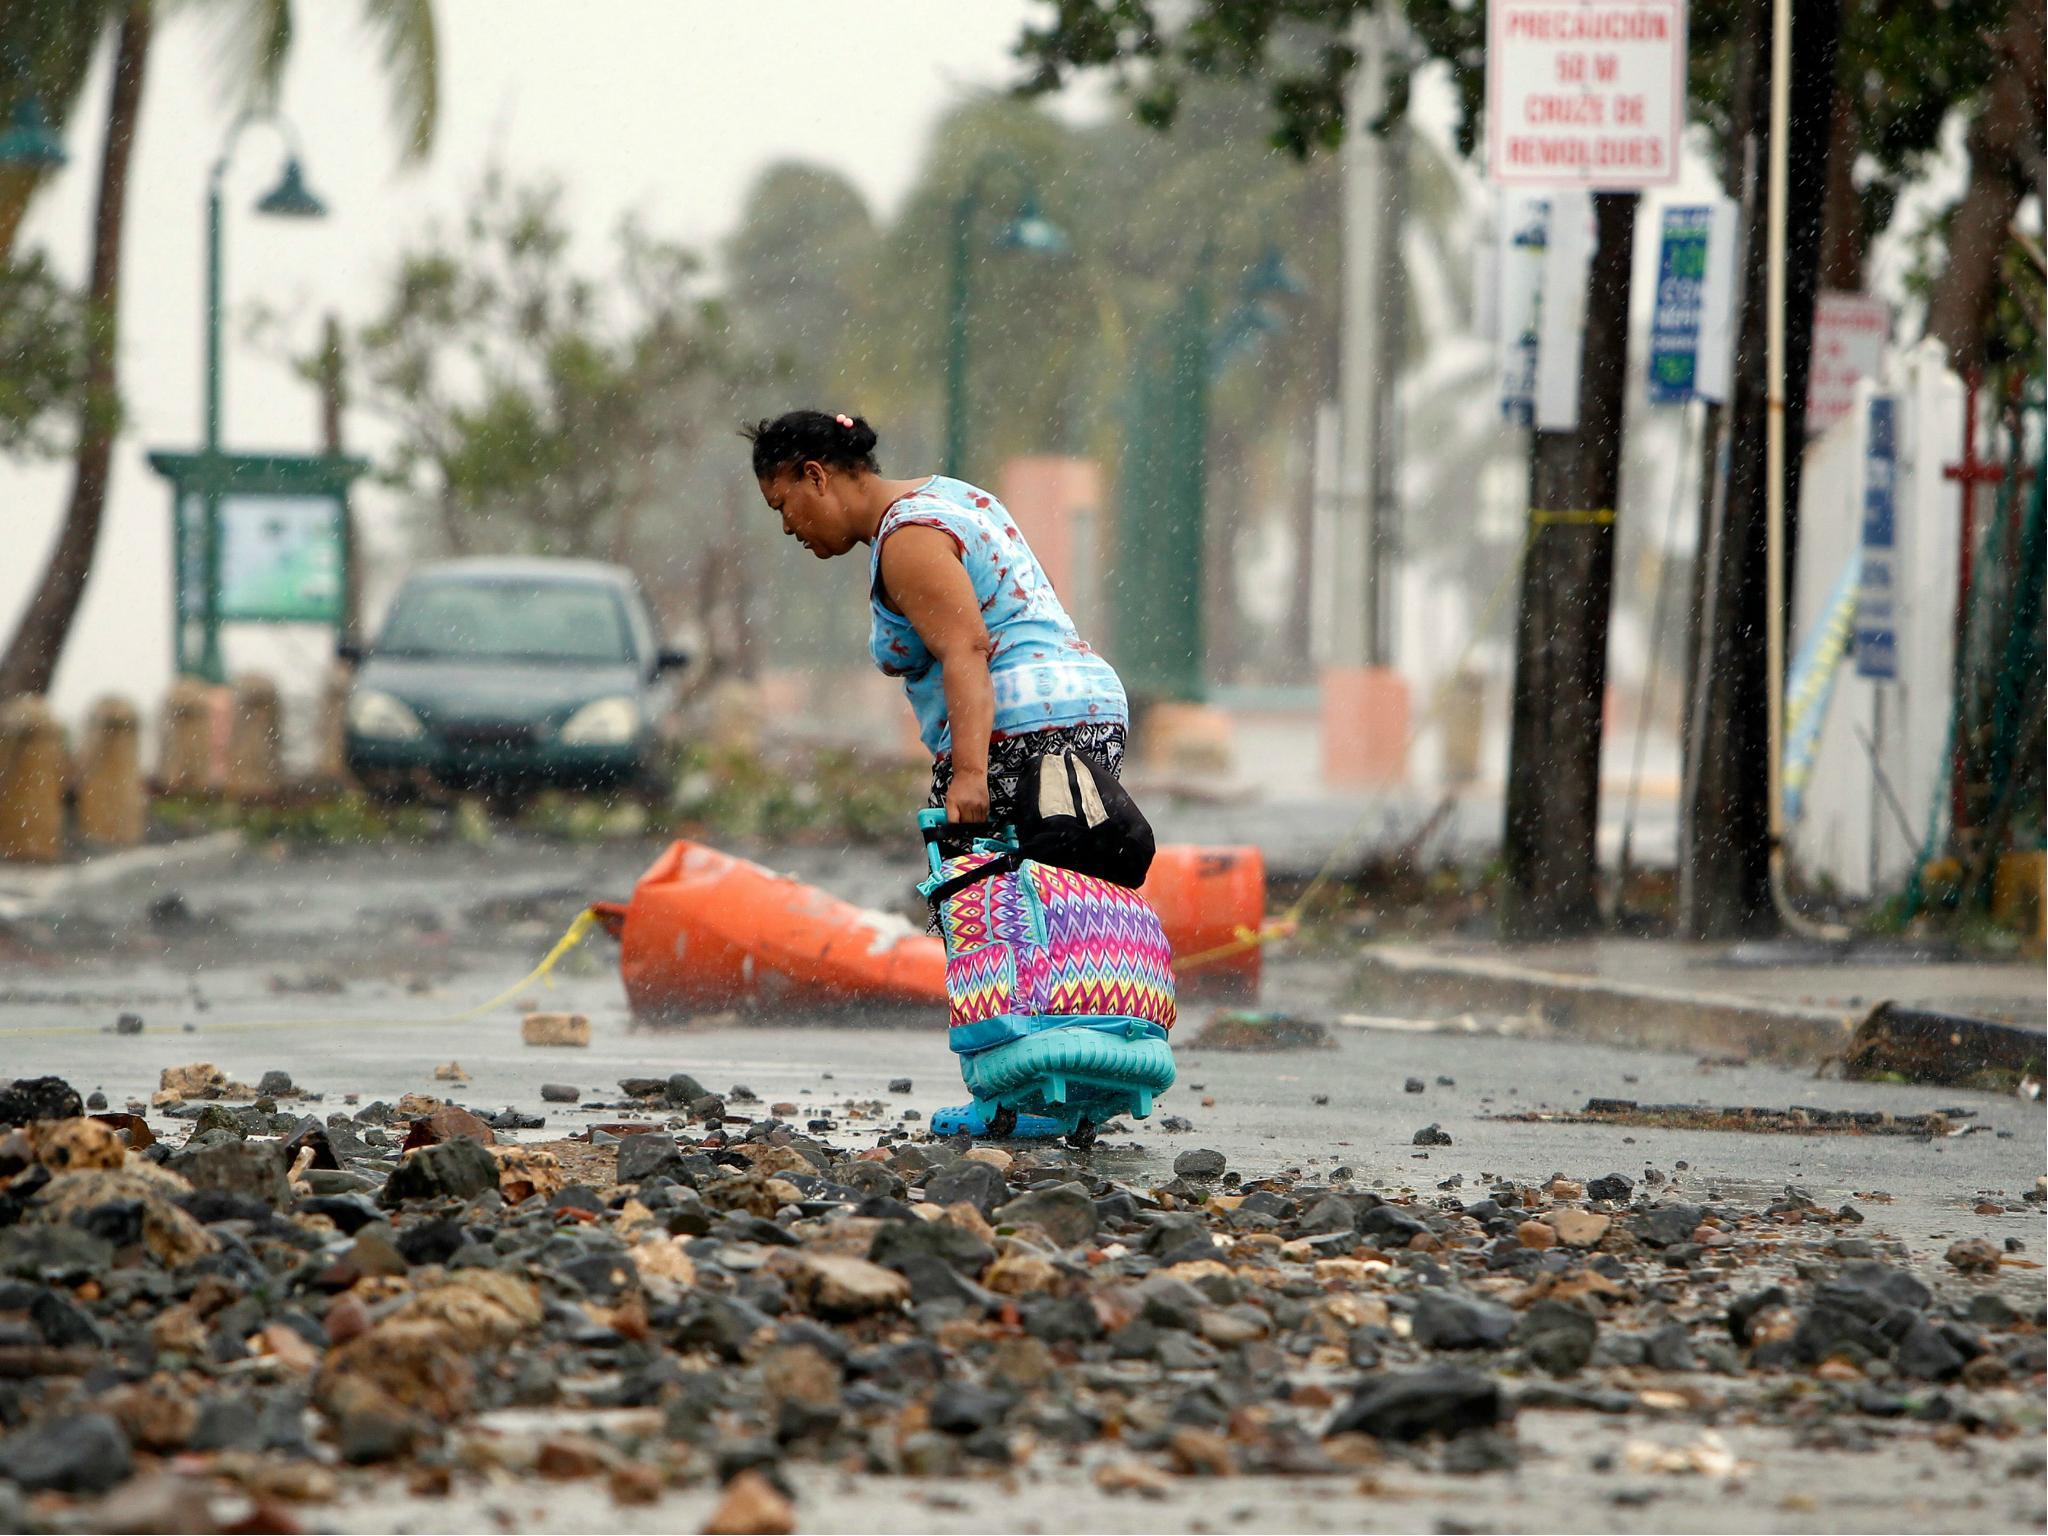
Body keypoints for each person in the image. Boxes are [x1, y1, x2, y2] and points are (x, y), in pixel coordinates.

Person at [745, 409, 1128, 828]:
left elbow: (967, 647)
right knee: (1066, 884)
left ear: (816, 476)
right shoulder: (956, 497)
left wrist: (969, 774)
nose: (785, 526)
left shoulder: (907, 538)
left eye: (782, 504)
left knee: (979, 889)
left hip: (1018, 725)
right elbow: (1034, 588)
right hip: (1094, 709)